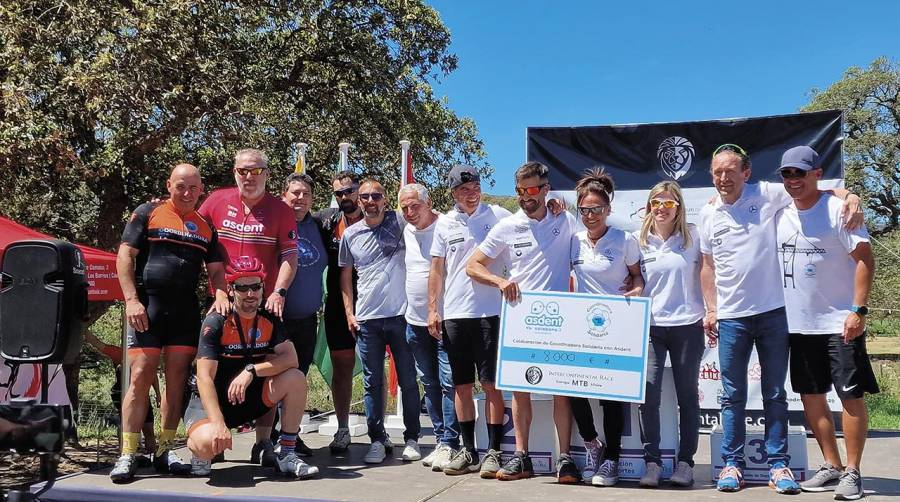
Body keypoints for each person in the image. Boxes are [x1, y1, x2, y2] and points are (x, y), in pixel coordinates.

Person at [699, 143, 862, 494]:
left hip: (774, 314)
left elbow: (816, 188)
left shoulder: (769, 193)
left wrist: (850, 194)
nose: (723, 178)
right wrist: (711, 308)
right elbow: (708, 267)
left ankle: (778, 465)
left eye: (730, 170)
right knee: (731, 396)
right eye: (717, 172)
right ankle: (732, 463)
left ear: (746, 172)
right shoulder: (708, 212)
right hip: (731, 318)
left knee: (775, 393)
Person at [110, 163, 229, 483]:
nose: (187, 193)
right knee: (139, 376)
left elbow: (216, 269)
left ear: (201, 188)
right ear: (169, 185)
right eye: (180, 186)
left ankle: (163, 449)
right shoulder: (149, 211)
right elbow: (124, 257)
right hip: (147, 308)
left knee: (176, 381)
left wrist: (220, 293)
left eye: (193, 187)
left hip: (184, 313)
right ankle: (128, 452)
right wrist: (131, 299)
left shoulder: (205, 225)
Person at [774, 146, 878, 501]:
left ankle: (853, 471)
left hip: (839, 322)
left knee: (850, 396)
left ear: (817, 173)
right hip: (798, 325)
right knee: (811, 397)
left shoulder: (839, 210)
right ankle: (831, 465)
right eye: (787, 174)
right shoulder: (779, 212)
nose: (793, 180)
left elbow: (865, 260)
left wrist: (858, 310)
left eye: (800, 173)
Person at [467, 161, 577, 482]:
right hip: (520, 320)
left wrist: (566, 203)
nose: (525, 197)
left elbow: (594, 232)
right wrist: (499, 282)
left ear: (545, 189)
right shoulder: (508, 226)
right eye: (519, 191)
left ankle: (566, 459)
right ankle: (521, 457)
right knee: (520, 391)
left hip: (559, 319)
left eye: (531, 190)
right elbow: (474, 265)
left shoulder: (564, 218)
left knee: (560, 391)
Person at [198, 148, 298, 466]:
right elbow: (197, 242)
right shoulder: (215, 201)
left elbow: (289, 257)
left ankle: (264, 443)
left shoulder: (281, 210)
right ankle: (213, 434)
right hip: (222, 297)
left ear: (267, 174)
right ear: (234, 172)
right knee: (212, 365)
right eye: (243, 171)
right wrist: (218, 290)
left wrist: (279, 292)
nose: (249, 177)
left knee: (268, 362)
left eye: (255, 171)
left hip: (262, 300)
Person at [184, 257, 318, 479]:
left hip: (246, 397)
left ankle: (287, 454)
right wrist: (217, 423)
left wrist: (251, 370)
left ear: (263, 288)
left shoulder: (269, 318)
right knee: (207, 443)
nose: (250, 294)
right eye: (242, 287)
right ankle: (200, 451)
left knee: (295, 377)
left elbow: (291, 359)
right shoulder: (216, 321)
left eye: (255, 287)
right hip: (211, 403)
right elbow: (204, 377)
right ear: (230, 289)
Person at [428, 165, 512, 477]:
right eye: (464, 189)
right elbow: (437, 269)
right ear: (452, 193)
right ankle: (468, 450)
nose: (471, 193)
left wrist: (556, 206)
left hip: (490, 313)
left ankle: (493, 451)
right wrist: (433, 310)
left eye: (475, 186)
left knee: (491, 384)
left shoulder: (501, 215)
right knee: (461, 386)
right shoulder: (445, 223)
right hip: (455, 315)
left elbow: (532, 221)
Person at [568, 169, 644, 487]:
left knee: (613, 397)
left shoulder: (625, 240)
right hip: (580, 327)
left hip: (616, 327)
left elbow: (637, 276)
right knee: (573, 389)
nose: (590, 215)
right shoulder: (573, 242)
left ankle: (611, 457)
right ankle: (591, 444)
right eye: (584, 210)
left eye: (596, 209)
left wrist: (638, 288)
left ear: (608, 209)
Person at [338, 179, 421, 464]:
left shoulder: (402, 222)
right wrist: (350, 312)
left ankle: (412, 438)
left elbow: (432, 221)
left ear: (386, 199)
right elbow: (346, 276)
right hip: (368, 320)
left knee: (409, 380)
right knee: (373, 382)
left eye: (376, 195)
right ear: (358, 201)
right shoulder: (351, 234)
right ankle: (377, 438)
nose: (370, 201)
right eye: (364, 197)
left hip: (401, 316)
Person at [634, 181, 704, 488]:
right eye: (656, 203)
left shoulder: (693, 238)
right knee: (647, 395)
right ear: (649, 206)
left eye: (669, 203)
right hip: (650, 326)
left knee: (687, 395)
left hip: (688, 325)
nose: (662, 208)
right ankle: (652, 463)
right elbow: (634, 279)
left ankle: (686, 462)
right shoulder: (638, 241)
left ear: (679, 207)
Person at [399, 183, 460, 472]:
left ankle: (452, 442)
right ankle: (440, 441)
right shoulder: (405, 229)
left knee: (450, 383)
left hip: (446, 319)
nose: (410, 212)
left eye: (415, 206)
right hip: (414, 322)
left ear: (429, 203)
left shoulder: (448, 224)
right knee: (431, 383)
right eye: (404, 208)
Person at [313, 170, 364, 454]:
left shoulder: (378, 218)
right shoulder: (326, 222)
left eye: (349, 190)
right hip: (336, 305)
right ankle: (343, 428)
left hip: (375, 305)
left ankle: (380, 432)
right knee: (342, 367)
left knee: (374, 370)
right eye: (339, 193)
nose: (345, 197)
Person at [280, 173, 328, 456]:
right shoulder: (275, 222)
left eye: (306, 194)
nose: (300, 198)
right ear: (284, 195)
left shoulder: (317, 226)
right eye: (295, 193)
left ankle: (290, 435)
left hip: (308, 320)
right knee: (276, 377)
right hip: (278, 317)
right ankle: (268, 438)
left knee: (298, 378)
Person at [84, 332, 158, 461]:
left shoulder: (144, 354)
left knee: (148, 428)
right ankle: (126, 455)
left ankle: (154, 457)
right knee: (125, 425)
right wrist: (81, 328)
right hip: (123, 395)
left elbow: (153, 375)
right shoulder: (120, 354)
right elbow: (97, 343)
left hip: (142, 396)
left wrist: (158, 394)